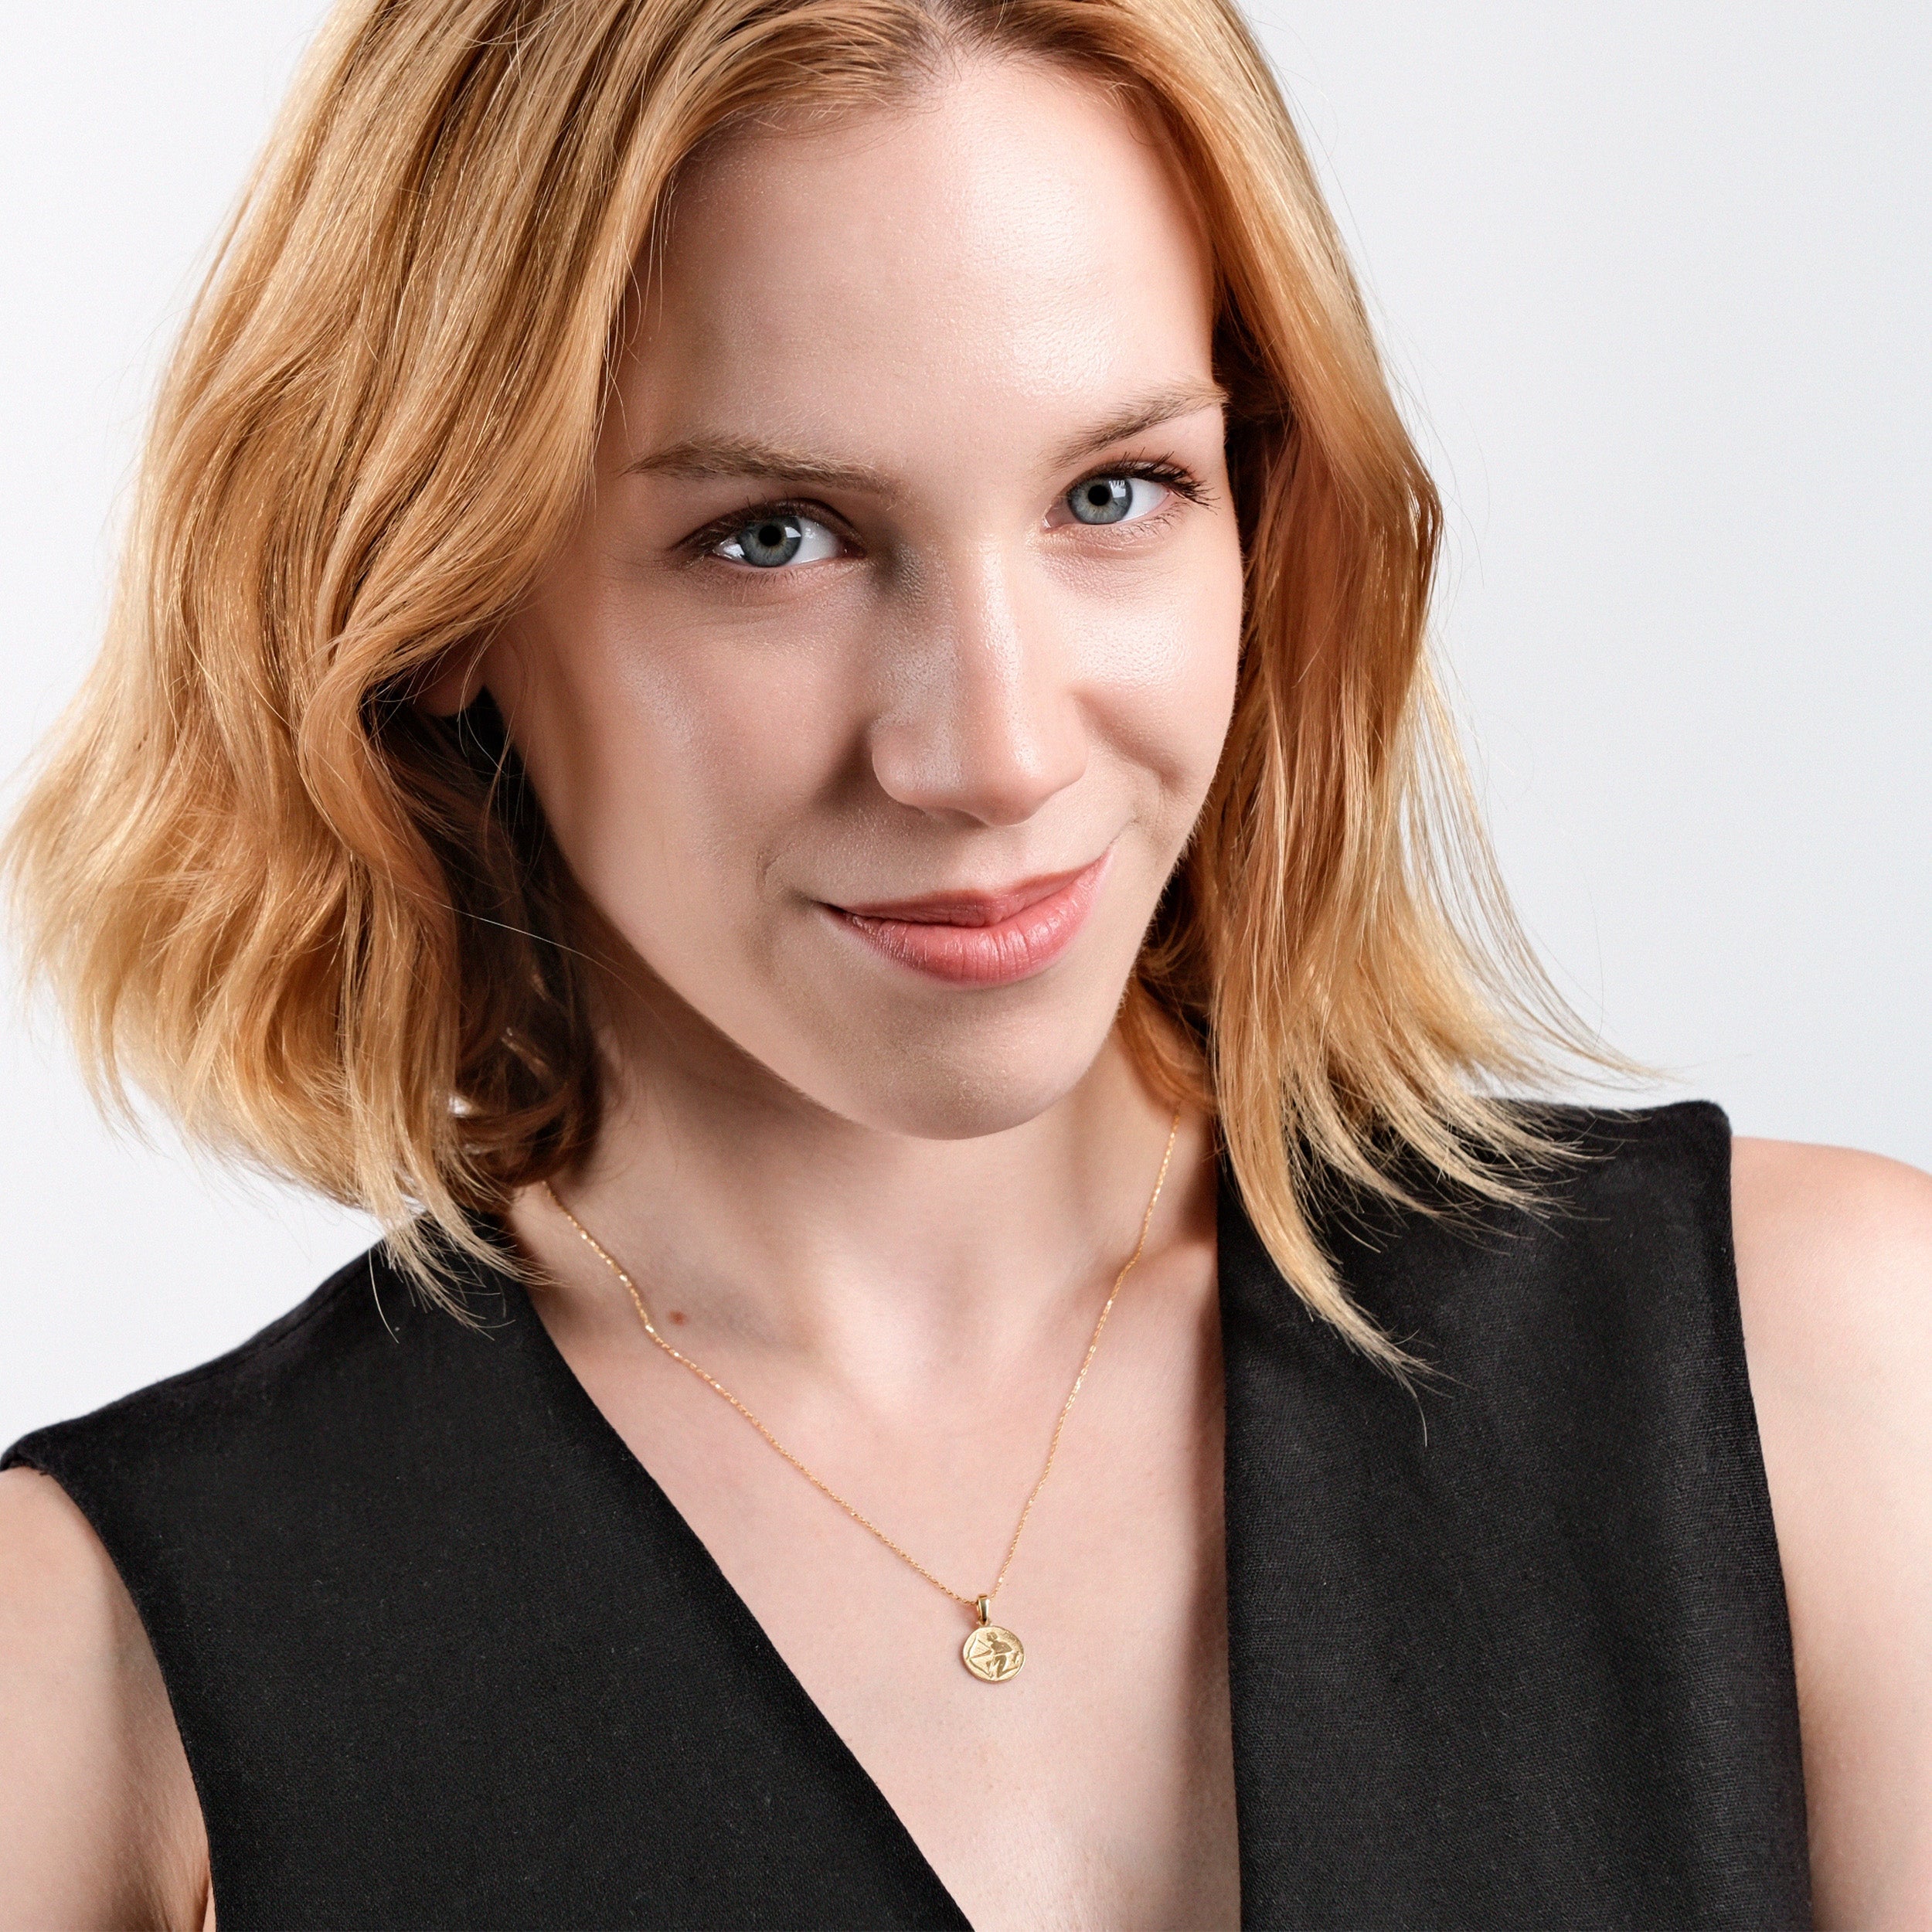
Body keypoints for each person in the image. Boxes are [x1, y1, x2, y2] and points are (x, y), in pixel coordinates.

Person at [0, 0, 1926, 1925]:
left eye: (1115, 491)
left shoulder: (1827, 1380)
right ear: (434, 600)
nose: (994, 747)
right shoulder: (96, 1669)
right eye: (775, 536)